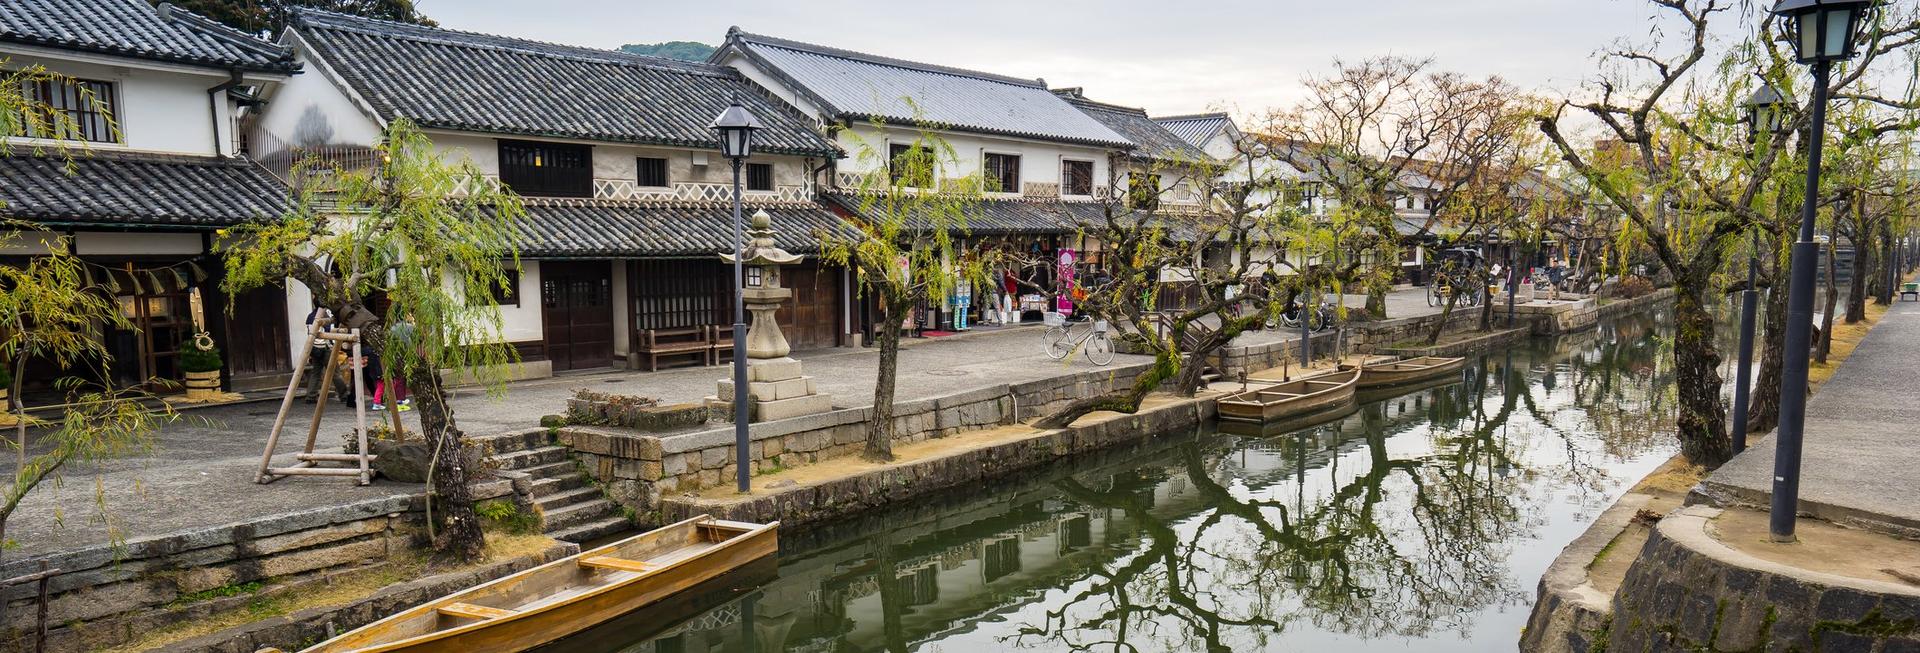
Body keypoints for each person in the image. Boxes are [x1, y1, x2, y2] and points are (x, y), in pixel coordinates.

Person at [301, 306, 332, 403]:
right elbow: (328, 331)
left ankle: (311, 396)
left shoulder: (310, 316)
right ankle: (343, 395)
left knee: (316, 372)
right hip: (325, 346)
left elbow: (309, 332)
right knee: (334, 371)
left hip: (314, 347)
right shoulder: (325, 317)